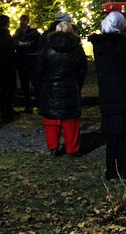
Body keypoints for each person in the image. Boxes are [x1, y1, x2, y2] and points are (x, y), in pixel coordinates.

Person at [90, 12, 126, 180]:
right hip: (122, 94)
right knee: (125, 135)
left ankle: (112, 170)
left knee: (111, 136)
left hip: (107, 94)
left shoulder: (99, 46)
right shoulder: (120, 45)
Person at [37, 21, 87, 157]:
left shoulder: (47, 48)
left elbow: (40, 69)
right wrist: (77, 84)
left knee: (51, 118)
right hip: (70, 86)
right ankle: (72, 148)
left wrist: (43, 84)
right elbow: (82, 70)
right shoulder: (77, 49)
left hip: (51, 86)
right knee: (70, 119)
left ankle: (53, 147)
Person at [0, 14, 18, 120]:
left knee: (3, 88)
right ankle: (7, 110)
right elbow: (10, 49)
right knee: (10, 87)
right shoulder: (5, 34)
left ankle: (4, 109)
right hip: (8, 64)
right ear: (7, 23)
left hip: (0, 64)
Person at [14, 15, 41, 114]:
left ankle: (39, 105)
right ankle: (28, 106)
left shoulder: (33, 32)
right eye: (22, 20)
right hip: (22, 61)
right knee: (25, 85)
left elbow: (38, 43)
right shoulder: (18, 32)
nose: (23, 22)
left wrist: (28, 44)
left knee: (35, 84)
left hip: (31, 60)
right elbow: (14, 42)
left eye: (24, 21)